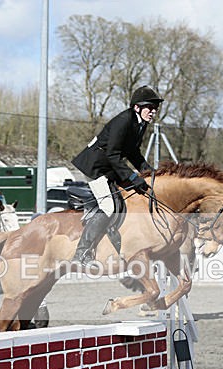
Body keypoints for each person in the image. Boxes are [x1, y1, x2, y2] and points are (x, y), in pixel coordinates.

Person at [69, 85, 160, 265]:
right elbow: (112, 154)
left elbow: (134, 154)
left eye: (155, 108)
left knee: (132, 196)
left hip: (110, 167)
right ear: (137, 107)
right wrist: (132, 177)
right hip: (95, 167)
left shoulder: (140, 124)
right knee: (109, 206)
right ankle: (81, 253)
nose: (153, 111)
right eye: (150, 107)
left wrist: (150, 174)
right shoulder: (123, 121)